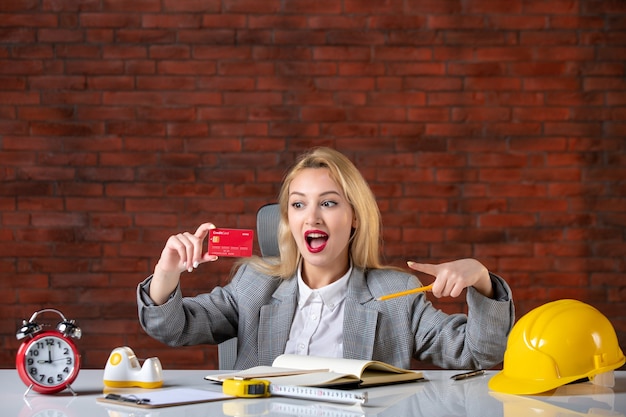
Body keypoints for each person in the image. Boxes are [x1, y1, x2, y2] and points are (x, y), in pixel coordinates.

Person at [137, 147, 514, 370]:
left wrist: (481, 280)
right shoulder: (254, 285)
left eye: (329, 203)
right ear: (289, 220)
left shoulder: (397, 293)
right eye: (299, 204)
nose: (312, 217)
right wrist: (166, 272)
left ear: (354, 219)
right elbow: (173, 328)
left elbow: (480, 353)